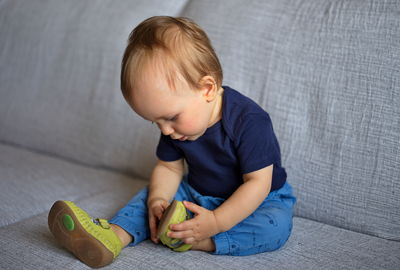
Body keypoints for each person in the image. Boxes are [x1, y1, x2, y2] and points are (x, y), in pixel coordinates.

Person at [48, 16, 296, 268]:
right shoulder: (175, 128)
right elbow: (169, 167)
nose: (166, 130)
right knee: (149, 197)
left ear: (207, 89)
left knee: (275, 226)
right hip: (197, 192)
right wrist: (158, 200)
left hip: (261, 198)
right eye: (155, 122)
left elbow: (258, 184)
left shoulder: (249, 121)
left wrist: (216, 222)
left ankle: (200, 240)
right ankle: (112, 237)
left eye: (171, 118)